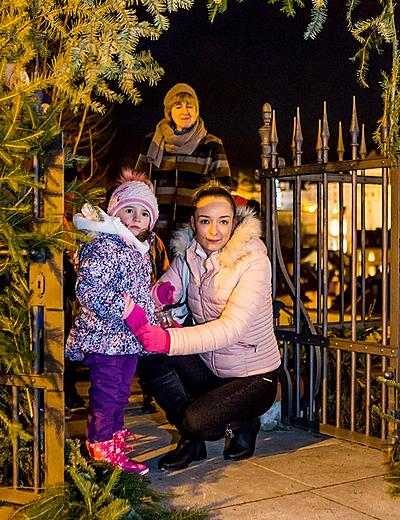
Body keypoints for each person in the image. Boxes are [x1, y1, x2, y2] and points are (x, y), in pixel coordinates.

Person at [133, 181, 281, 471]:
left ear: (234, 222)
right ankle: (192, 442)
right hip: (211, 368)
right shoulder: (190, 256)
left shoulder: (253, 261)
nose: (214, 232)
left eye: (223, 221)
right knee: (147, 355)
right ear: (193, 223)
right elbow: (163, 291)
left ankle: (240, 422)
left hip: (252, 377)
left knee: (199, 421)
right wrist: (159, 304)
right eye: (205, 221)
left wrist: (168, 339)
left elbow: (231, 328)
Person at [65, 171, 174, 475]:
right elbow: (89, 290)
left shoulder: (136, 248)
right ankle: (102, 444)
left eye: (143, 213)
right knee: (108, 393)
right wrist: (127, 310)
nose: (136, 218)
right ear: (114, 211)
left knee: (120, 393)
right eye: (129, 210)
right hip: (106, 338)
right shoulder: (105, 244)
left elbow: (134, 294)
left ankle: (109, 437)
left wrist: (155, 296)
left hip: (126, 340)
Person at [134, 83, 231, 243]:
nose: (185, 111)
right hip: (155, 228)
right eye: (178, 106)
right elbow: (137, 182)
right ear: (169, 111)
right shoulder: (152, 142)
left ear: (197, 110)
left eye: (190, 106)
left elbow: (224, 188)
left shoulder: (211, 144)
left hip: (193, 230)